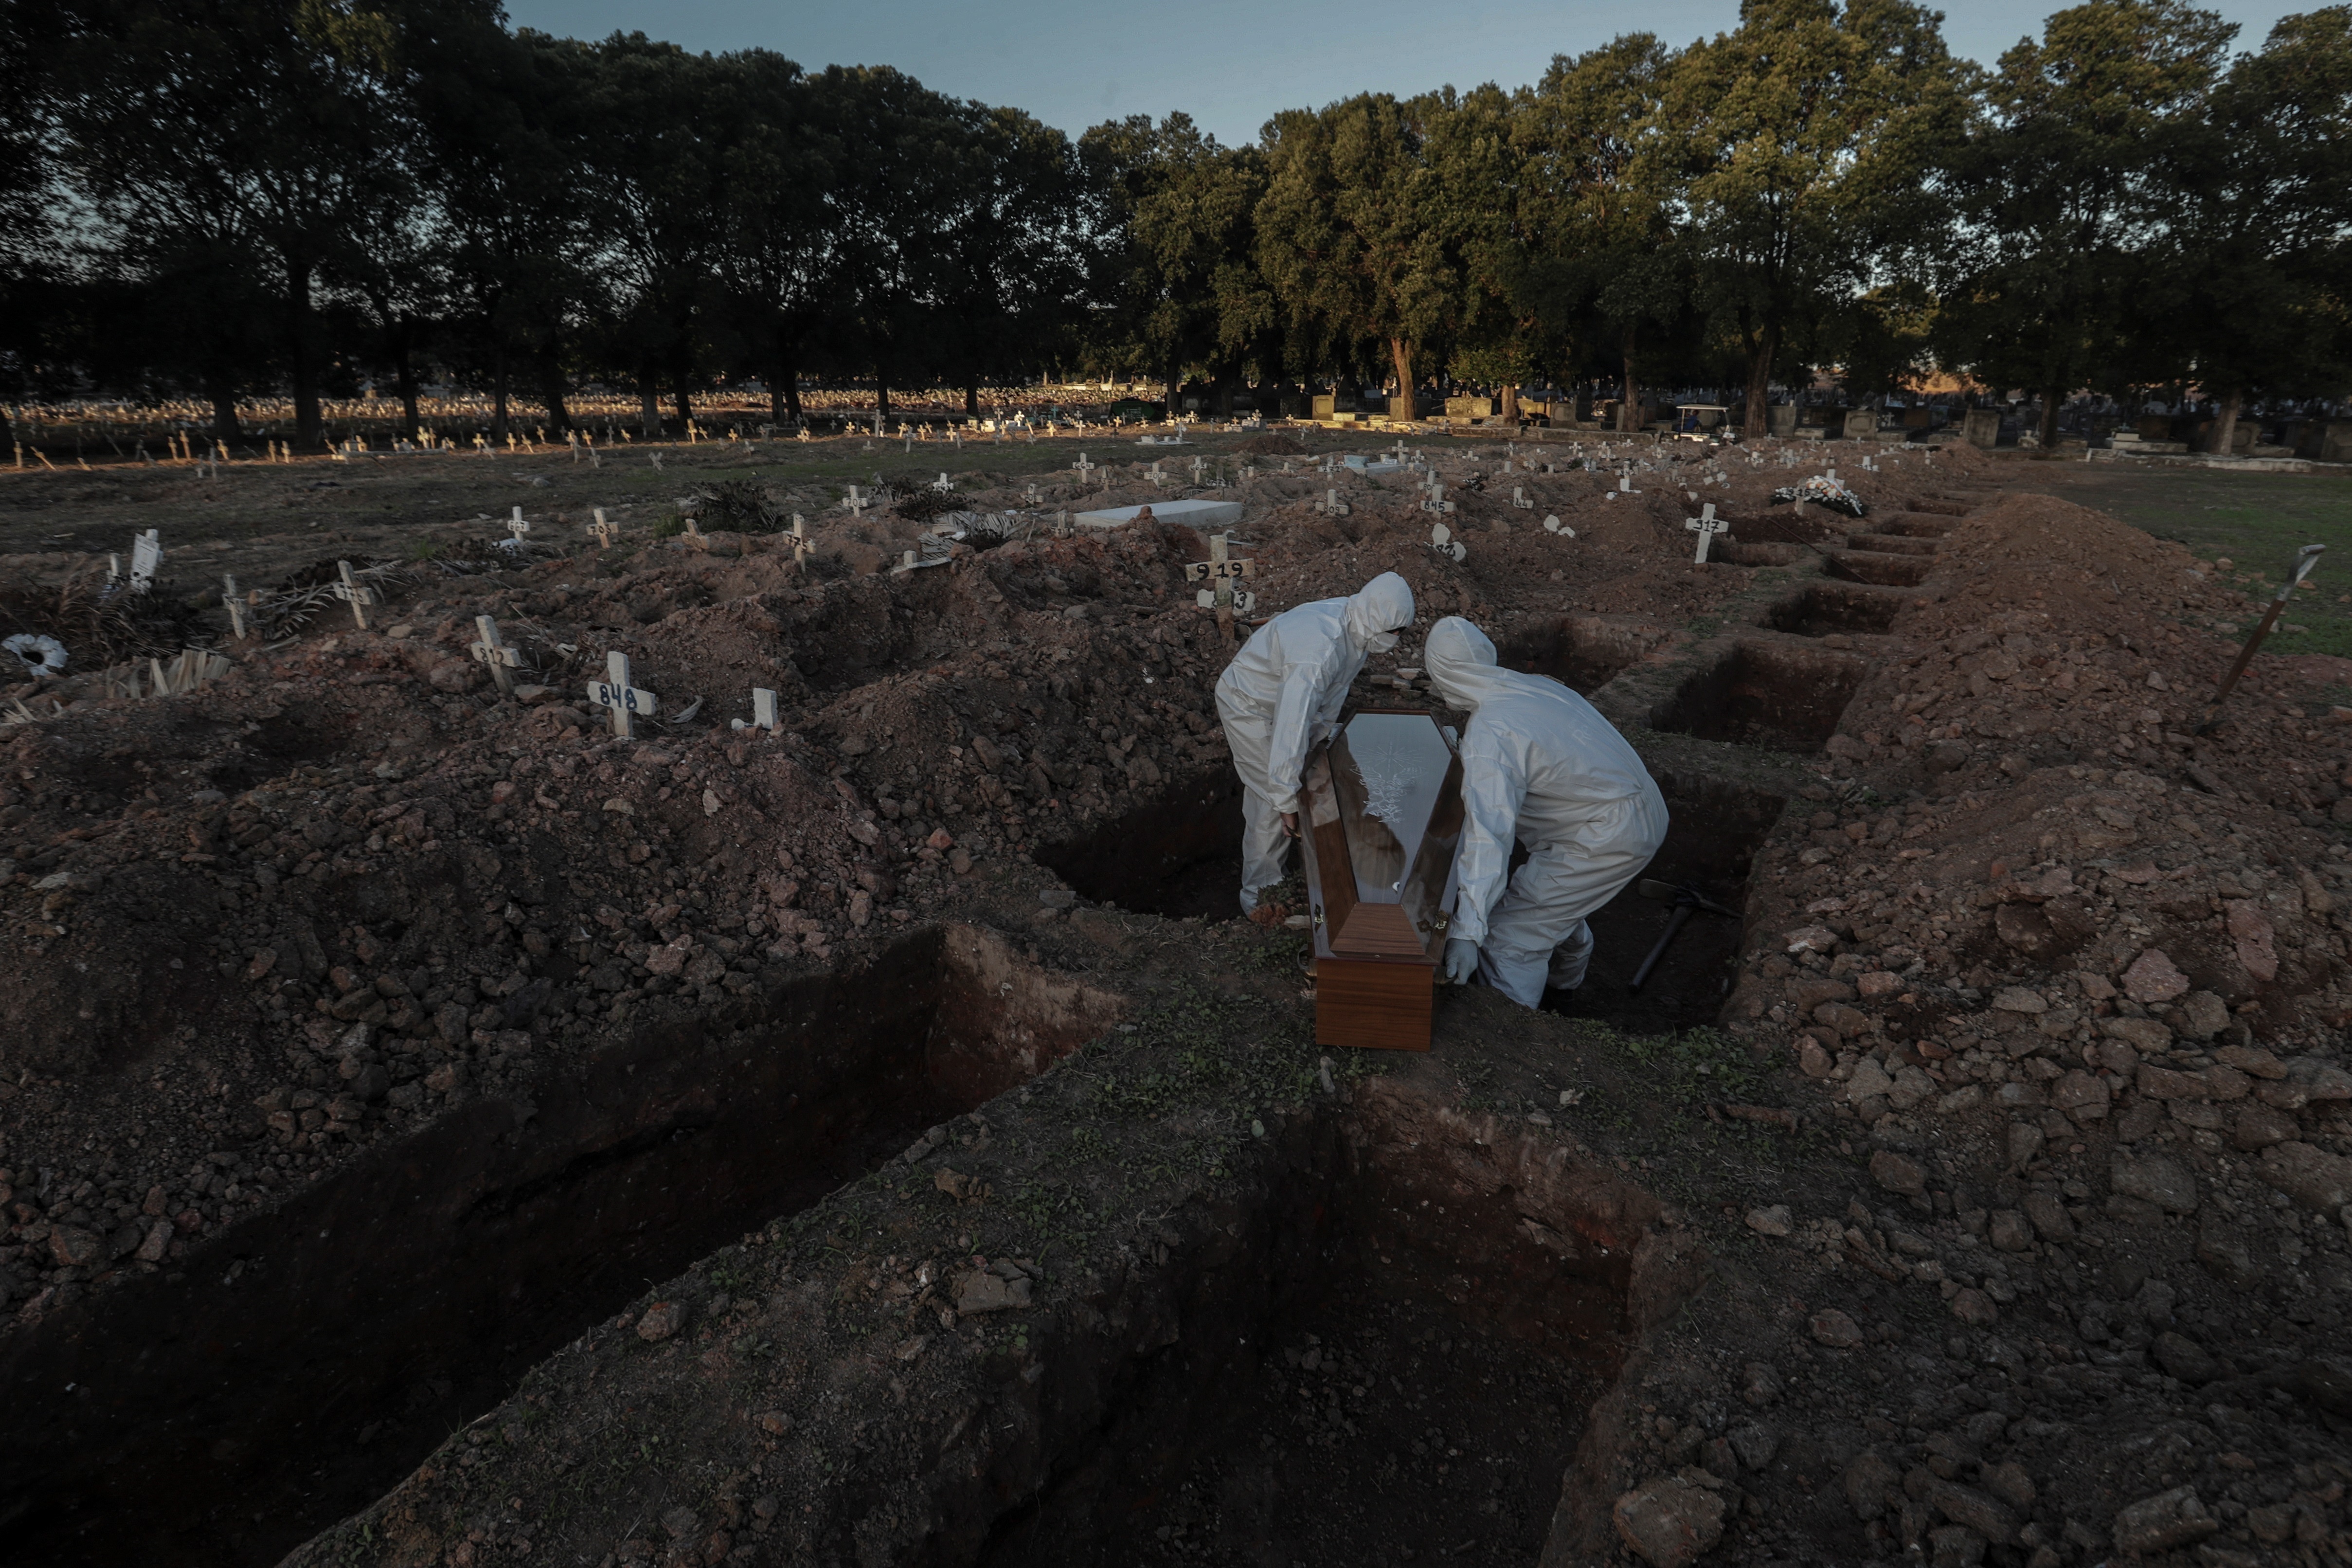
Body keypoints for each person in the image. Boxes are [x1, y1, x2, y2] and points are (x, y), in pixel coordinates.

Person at [1424, 616, 1667, 1007]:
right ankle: (1564, 986)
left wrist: (1467, 931)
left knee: (1510, 937)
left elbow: (1490, 835)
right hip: (1631, 807)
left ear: (1442, 675)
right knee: (1548, 904)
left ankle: (1514, 1031)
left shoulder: (1492, 731)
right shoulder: (1534, 688)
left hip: (1606, 833)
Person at [1216, 571, 1417, 912]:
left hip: (1280, 705)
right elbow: (1289, 727)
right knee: (1269, 804)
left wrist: (1318, 745)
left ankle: (1279, 868)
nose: (1395, 640)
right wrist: (1286, 799)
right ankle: (1262, 901)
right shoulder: (1319, 651)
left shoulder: (1357, 629)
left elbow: (1328, 699)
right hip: (1250, 705)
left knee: (1288, 785)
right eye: (1394, 633)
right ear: (1378, 620)